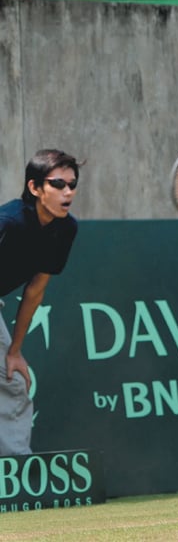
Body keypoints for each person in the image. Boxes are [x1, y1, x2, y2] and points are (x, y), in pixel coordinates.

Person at [0, 149, 80, 456]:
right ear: (35, 188)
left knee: (14, 384)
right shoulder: (8, 223)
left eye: (72, 185)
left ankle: (18, 477)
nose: (68, 192)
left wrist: (15, 351)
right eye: (58, 184)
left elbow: (35, 289)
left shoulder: (65, 228)